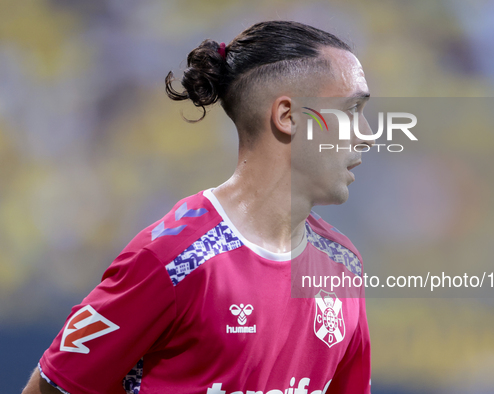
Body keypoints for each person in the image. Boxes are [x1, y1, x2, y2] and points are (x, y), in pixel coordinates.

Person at [22, 20, 374, 394]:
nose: (367, 133)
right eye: (352, 109)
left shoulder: (343, 266)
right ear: (287, 117)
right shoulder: (171, 260)